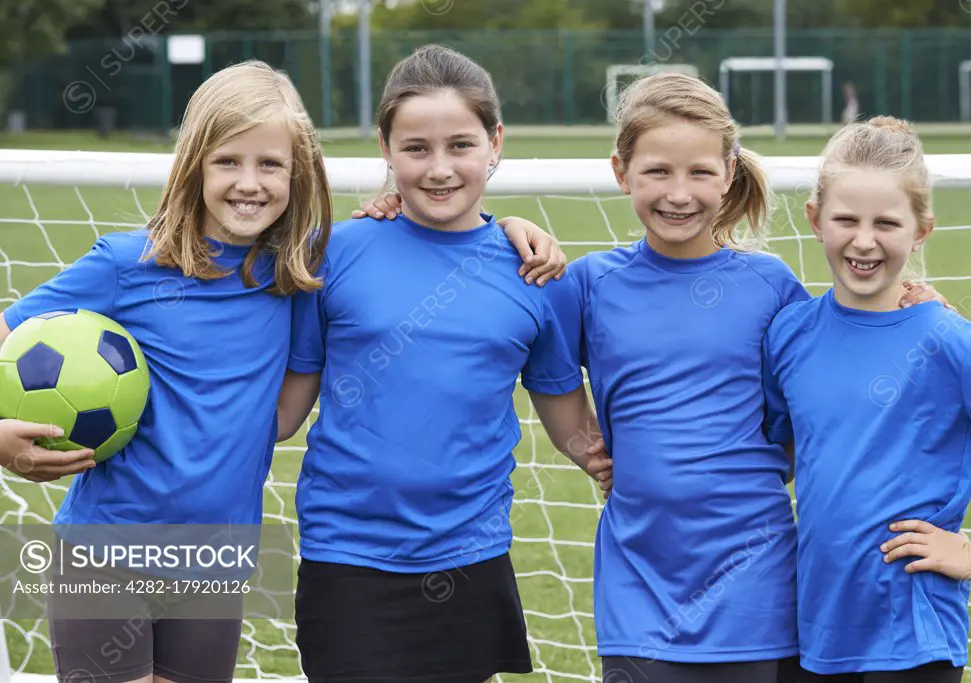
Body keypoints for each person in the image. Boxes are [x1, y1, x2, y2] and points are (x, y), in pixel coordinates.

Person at [357, 73, 947, 683]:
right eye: (657, 172)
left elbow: (829, 386)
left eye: (699, 173)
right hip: (637, 583)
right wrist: (588, 449)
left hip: (757, 582)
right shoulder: (587, 285)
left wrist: (922, 311)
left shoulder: (772, 288)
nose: (679, 194)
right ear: (621, 172)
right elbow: (523, 346)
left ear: (729, 172)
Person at [0, 59, 566, 683]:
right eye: (227, 162)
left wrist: (513, 228)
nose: (250, 183)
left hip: (216, 554)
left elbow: (417, 248)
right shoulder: (129, 262)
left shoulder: (297, 270)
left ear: (299, 174)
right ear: (193, 166)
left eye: (270, 164)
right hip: (103, 549)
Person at [276, 44, 596, 683]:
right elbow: (284, 411)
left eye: (461, 145)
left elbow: (573, 429)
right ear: (385, 148)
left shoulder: (537, 273)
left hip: (468, 557)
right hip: (348, 555)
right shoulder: (332, 252)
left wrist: (636, 467)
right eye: (416, 148)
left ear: (495, 142)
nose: (440, 168)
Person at [762, 116, 971, 683]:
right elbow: (780, 457)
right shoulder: (789, 334)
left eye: (886, 222)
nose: (863, 240)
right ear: (814, 218)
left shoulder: (955, 344)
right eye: (845, 219)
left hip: (911, 639)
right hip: (809, 626)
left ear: (921, 229)